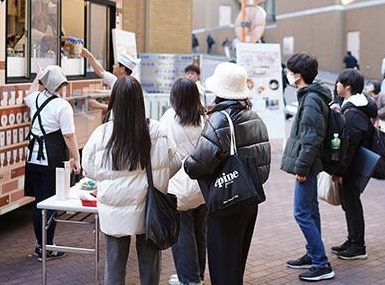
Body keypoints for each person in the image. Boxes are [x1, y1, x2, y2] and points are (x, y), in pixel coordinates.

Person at [81, 76, 181, 285]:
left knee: (114, 266)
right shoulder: (156, 130)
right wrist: (157, 180)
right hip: (149, 209)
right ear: (139, 100)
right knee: (150, 267)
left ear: (114, 101)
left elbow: (89, 169)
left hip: (114, 211)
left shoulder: (102, 134)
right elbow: (175, 163)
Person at [184, 62, 271, 285]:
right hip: (248, 198)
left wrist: (186, 164)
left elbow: (199, 163)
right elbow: (264, 164)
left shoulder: (220, 119)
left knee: (223, 268)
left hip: (226, 200)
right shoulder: (255, 117)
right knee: (236, 263)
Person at [280, 52, 335, 281]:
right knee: (310, 211)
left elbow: (311, 138)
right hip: (311, 164)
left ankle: (321, 264)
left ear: (298, 75)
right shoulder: (310, 95)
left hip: (308, 166)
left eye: (290, 72)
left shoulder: (311, 99)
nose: (288, 75)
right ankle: (314, 254)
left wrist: (301, 169)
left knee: (301, 213)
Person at [24, 65, 81, 261]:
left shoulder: (35, 99)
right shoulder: (63, 106)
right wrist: (76, 158)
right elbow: (69, 136)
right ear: (61, 85)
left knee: (38, 203)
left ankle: (40, 245)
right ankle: (46, 247)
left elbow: (30, 92)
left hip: (32, 158)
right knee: (50, 203)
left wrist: (38, 77)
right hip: (51, 158)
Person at [160, 78, 207, 285]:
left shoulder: (169, 117)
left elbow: (163, 148)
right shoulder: (203, 118)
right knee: (200, 231)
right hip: (202, 182)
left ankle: (189, 279)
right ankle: (198, 275)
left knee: (182, 233)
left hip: (179, 182)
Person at [331, 69, 377, 260]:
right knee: (349, 204)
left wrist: (340, 171)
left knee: (352, 205)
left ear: (347, 87)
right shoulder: (353, 107)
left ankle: (358, 246)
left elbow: (348, 147)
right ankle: (352, 240)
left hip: (352, 167)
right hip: (353, 165)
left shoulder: (353, 113)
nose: (336, 86)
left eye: (338, 83)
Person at [81, 47, 139, 113]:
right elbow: (101, 71)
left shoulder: (128, 86)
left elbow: (120, 108)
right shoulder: (115, 79)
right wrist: (89, 56)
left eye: (116, 65)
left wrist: (99, 105)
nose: (113, 66)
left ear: (122, 69)